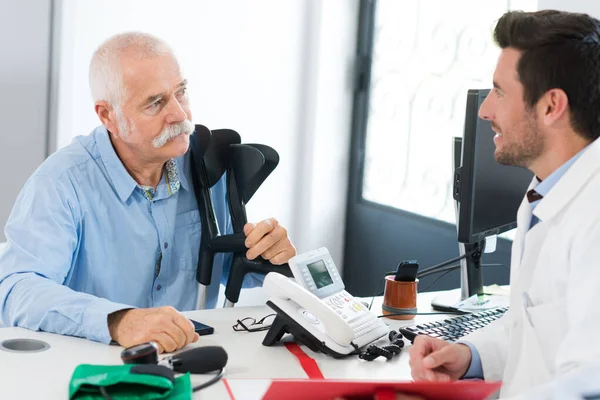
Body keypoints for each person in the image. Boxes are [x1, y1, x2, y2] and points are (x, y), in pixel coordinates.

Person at [0, 32, 296, 353]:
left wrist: (269, 256)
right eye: (155, 103)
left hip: (191, 362)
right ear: (107, 115)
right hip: (94, 369)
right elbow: (16, 290)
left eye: (180, 92)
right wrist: (118, 320)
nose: (180, 116)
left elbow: (226, 266)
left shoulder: (205, 164)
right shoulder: (60, 183)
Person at [408, 9, 600, 399]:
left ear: (551, 106)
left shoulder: (593, 218)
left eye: (499, 92)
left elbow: (587, 385)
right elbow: (537, 322)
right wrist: (470, 354)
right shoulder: (545, 192)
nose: (485, 112)